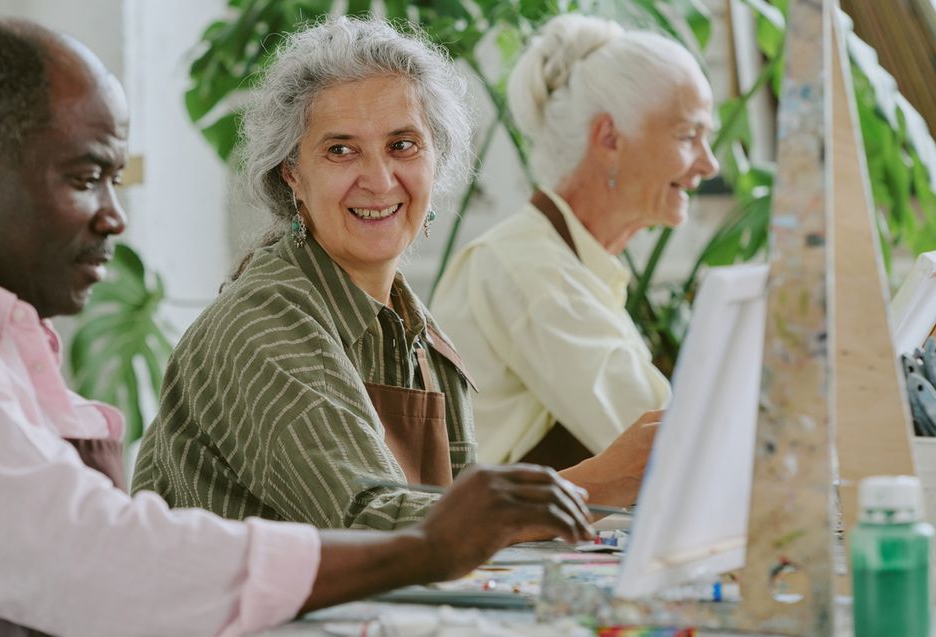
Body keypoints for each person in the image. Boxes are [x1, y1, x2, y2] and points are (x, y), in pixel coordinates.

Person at [0, 19, 595, 636]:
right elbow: (98, 558)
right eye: (87, 177)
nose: (114, 217)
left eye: (404, 146)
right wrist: (427, 546)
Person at [132, 17, 655, 530]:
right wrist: (596, 484)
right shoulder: (262, 325)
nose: (380, 181)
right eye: (341, 150)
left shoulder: (421, 335)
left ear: (436, 160)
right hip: (233, 618)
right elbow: (369, 522)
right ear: (292, 173)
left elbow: (455, 543)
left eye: (402, 145)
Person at [430, 14, 720, 470]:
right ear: (609, 138)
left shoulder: (567, 262)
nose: (709, 164)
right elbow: (676, 448)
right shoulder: (527, 268)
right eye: (688, 136)